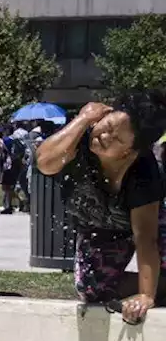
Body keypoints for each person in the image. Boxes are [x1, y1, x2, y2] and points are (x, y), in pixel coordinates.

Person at [37, 94, 166, 324]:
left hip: (152, 221)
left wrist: (145, 295)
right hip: (102, 226)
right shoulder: (80, 139)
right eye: (105, 126)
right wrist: (83, 119)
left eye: (115, 138)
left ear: (129, 151)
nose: (103, 136)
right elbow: (45, 164)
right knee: (92, 289)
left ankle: (154, 288)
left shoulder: (143, 172)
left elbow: (146, 237)